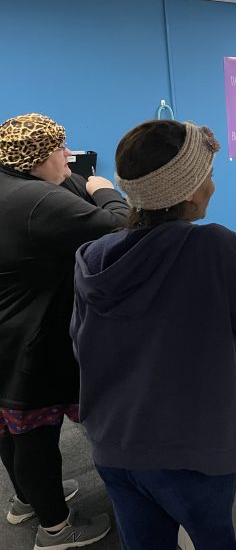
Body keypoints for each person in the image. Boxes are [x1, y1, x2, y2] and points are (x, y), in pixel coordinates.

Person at [70, 119, 236, 550]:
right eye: (208, 176)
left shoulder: (93, 257)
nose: (213, 187)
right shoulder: (212, 248)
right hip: (190, 457)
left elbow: (80, 344)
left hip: (114, 447)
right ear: (187, 188)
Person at [0, 113, 128, 549]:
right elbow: (119, 226)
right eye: (60, 149)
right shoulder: (37, 200)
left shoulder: (9, 186)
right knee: (36, 433)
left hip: (5, 333)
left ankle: (26, 500)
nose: (67, 157)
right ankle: (56, 528)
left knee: (10, 428)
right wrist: (102, 188)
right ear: (37, 157)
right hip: (27, 342)